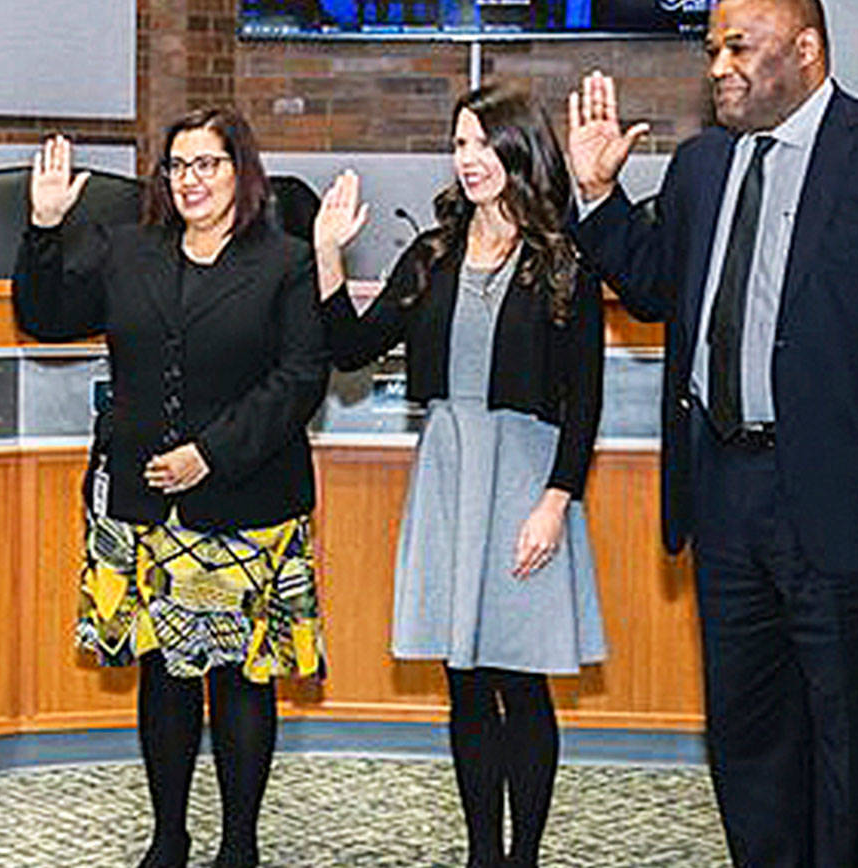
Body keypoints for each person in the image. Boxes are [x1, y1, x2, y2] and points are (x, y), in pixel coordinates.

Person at [565, 0, 858, 864]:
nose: (717, 66)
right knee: (749, 743)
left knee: (857, 751)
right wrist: (599, 197)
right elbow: (658, 290)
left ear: (806, 49)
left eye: (739, 46)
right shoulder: (704, 167)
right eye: (711, 49)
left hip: (853, 499)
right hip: (726, 496)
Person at [12, 108, 330, 868]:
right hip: (145, 505)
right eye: (178, 167)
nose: (191, 181)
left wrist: (209, 455)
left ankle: (240, 844)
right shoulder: (128, 250)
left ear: (240, 171)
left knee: (241, 678)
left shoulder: (283, 260)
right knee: (163, 672)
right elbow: (46, 316)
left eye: (207, 165)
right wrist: (44, 229)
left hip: (245, 500)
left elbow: (301, 379)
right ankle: (169, 835)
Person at [313, 85, 605, 868]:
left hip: (527, 479)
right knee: (466, 679)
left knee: (523, 678)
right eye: (459, 143)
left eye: (482, 143)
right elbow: (349, 350)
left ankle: (524, 857)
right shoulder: (432, 253)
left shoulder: (563, 259)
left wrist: (555, 502)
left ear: (520, 151)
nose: (468, 159)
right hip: (447, 472)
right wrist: (329, 254)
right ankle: (484, 855)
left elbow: (586, 401)